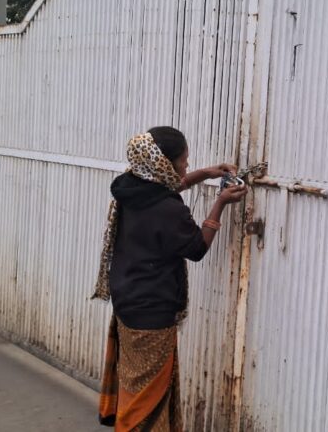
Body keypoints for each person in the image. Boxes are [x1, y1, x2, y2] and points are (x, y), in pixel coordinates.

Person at [93, 126, 247, 431]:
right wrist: (220, 204)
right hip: (152, 313)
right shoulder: (167, 209)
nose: (186, 166)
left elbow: (167, 187)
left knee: (137, 386)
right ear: (165, 163)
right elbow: (196, 248)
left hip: (127, 302)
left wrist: (206, 173)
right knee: (146, 400)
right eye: (184, 160)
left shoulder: (131, 186)